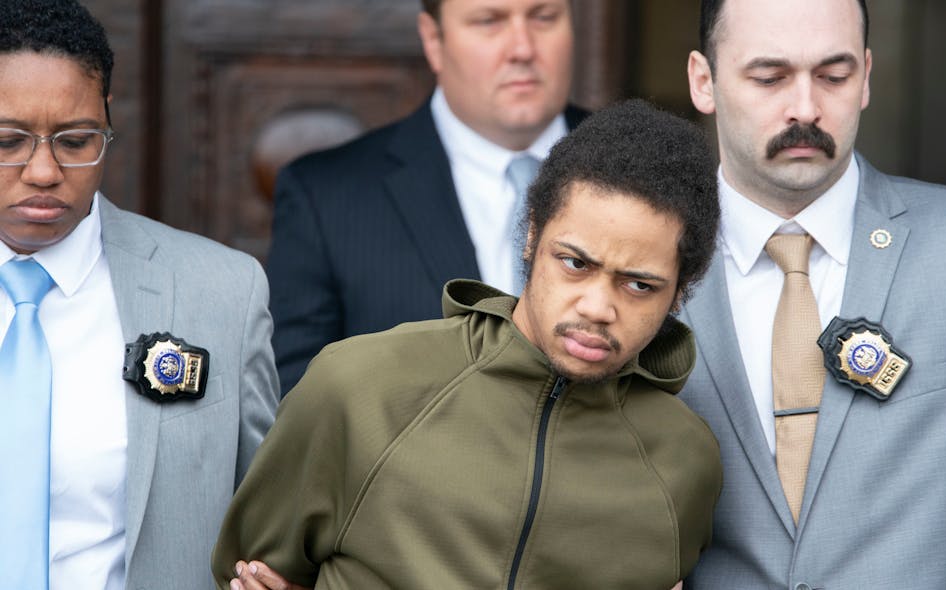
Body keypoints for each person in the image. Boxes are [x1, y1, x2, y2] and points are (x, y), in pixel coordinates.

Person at [212, 100, 722, 590]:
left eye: (639, 285)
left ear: (681, 291)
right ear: (530, 237)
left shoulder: (684, 459)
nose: (596, 307)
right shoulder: (360, 387)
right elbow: (249, 568)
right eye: (574, 263)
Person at [678, 0, 946, 587]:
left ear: (868, 77)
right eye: (770, 77)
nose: (806, 107)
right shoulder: (644, 274)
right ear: (705, 81)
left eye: (834, 75)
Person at [0, 1, 279, 588]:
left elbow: (268, 520)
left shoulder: (219, 290)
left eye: (76, 141)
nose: (44, 171)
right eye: (8, 141)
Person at [266, 0, 586, 395]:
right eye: (489, 21)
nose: (522, 48)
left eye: (543, 17)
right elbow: (298, 405)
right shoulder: (326, 195)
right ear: (433, 40)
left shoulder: (644, 173)